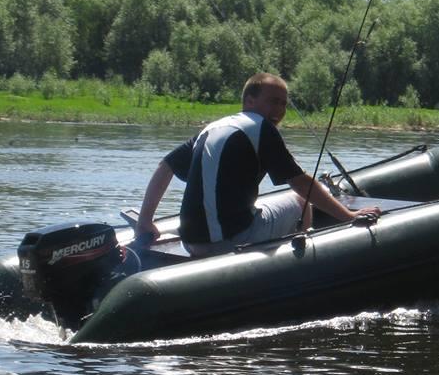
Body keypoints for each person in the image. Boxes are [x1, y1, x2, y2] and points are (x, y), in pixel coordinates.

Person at [135, 72, 380, 256]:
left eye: (283, 103)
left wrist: (145, 220)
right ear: (249, 101)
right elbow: (301, 184)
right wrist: (348, 215)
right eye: (273, 101)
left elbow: (165, 167)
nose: (280, 110)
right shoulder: (260, 128)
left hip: (191, 242)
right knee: (298, 201)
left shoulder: (214, 128)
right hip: (230, 240)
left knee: (260, 204)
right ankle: (302, 259)